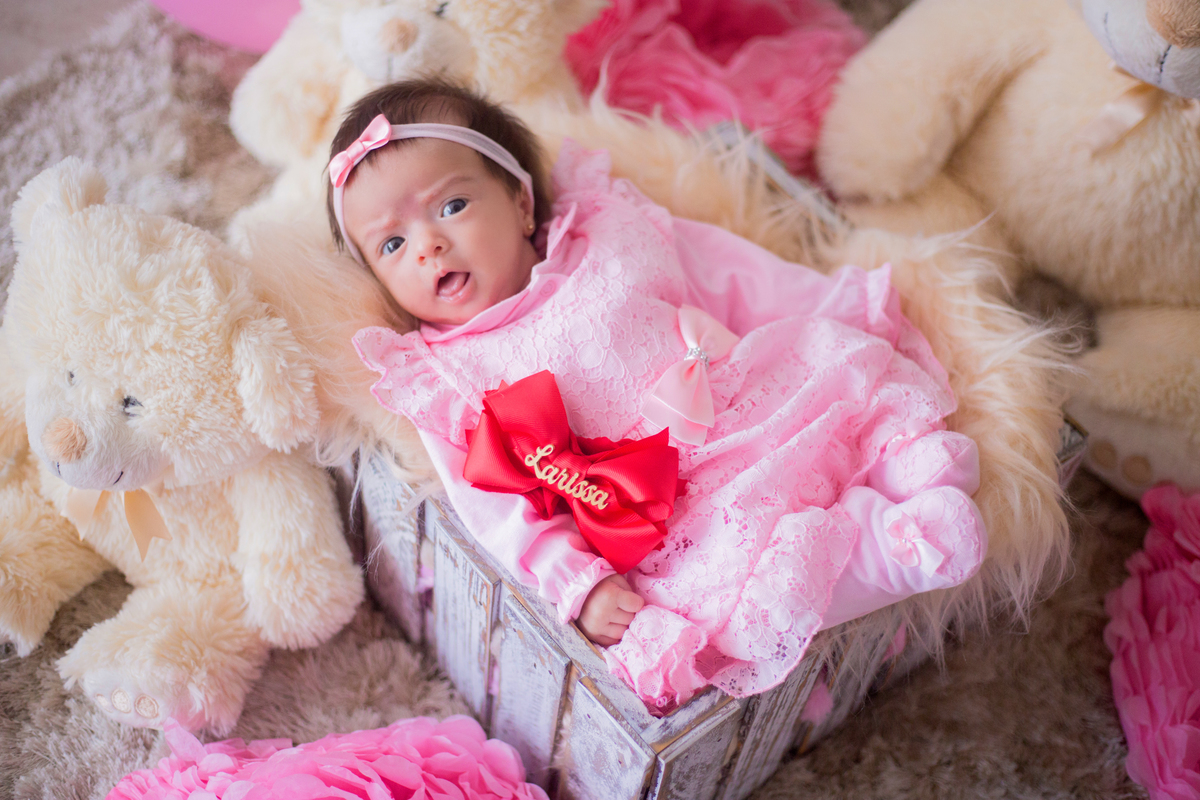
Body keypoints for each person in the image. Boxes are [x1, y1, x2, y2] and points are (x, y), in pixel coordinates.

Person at [327, 79, 986, 713]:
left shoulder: (606, 231)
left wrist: (828, 307)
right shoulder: (450, 380)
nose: (429, 245)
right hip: (673, 506)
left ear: (522, 203)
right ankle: (889, 547)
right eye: (393, 243)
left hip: (748, 399)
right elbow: (499, 511)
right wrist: (578, 582)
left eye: (451, 207)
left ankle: (907, 468)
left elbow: (728, 275)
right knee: (731, 596)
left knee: (844, 379)